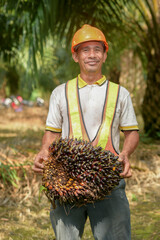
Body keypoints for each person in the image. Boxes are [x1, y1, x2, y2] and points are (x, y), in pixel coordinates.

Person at [33, 24, 139, 240]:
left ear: (105, 55)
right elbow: (52, 132)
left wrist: (126, 153)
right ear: (76, 56)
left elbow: (132, 132)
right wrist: (44, 150)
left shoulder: (121, 93)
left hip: (109, 177)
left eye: (97, 49)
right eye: (85, 50)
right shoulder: (60, 92)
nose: (92, 55)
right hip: (66, 179)